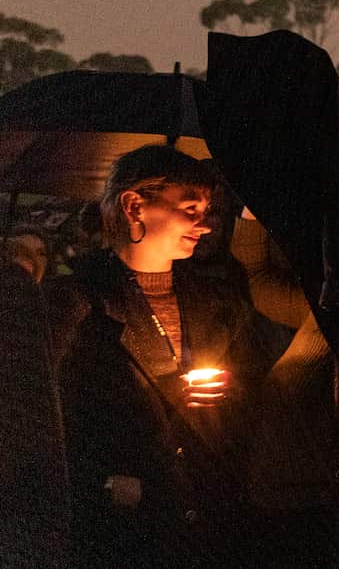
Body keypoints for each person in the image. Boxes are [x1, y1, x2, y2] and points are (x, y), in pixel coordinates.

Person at [47, 145, 267, 567]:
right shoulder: (74, 304)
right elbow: (48, 416)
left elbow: (248, 397)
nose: (205, 225)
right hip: (120, 530)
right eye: (190, 209)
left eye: (207, 211)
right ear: (134, 206)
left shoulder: (218, 303)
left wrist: (227, 398)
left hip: (203, 523)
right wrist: (102, 484)